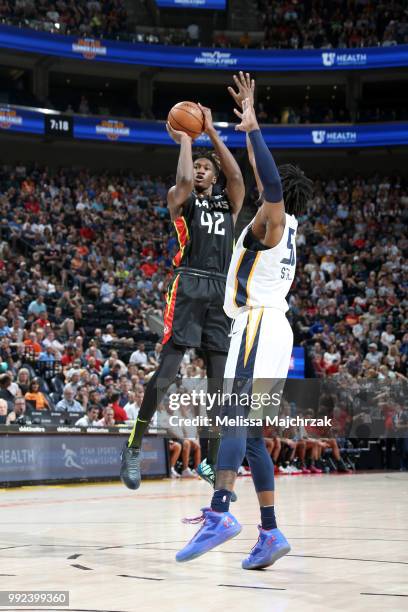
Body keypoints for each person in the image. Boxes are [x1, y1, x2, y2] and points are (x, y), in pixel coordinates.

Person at [176, 72, 313, 569]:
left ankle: (220, 513)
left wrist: (253, 126)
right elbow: (264, 179)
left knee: (233, 415)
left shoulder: (270, 218)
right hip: (273, 327)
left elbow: (268, 181)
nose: (260, 185)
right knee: (252, 435)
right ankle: (272, 533)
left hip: (256, 323)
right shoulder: (288, 226)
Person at [120, 102, 245, 490]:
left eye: (209, 167)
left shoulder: (229, 201)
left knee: (217, 385)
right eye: (200, 166)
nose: (203, 170)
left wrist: (211, 132)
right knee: (169, 373)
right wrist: (187, 141)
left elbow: (238, 176)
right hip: (189, 283)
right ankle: (134, 445)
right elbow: (186, 181)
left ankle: (208, 459)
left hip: (222, 289)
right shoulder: (183, 196)